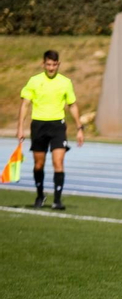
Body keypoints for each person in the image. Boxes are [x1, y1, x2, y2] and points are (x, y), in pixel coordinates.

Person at [16, 50, 86, 210]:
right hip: (39, 125)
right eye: (48, 64)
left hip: (57, 126)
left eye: (54, 64)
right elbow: (25, 104)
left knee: (58, 162)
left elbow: (72, 105)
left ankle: (57, 200)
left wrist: (79, 128)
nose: (51, 68)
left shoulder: (65, 82)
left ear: (58, 64)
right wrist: (20, 128)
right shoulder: (34, 81)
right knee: (38, 164)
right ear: (43, 64)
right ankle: (40, 195)